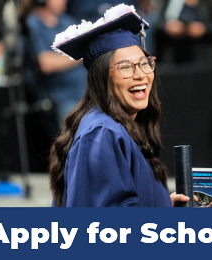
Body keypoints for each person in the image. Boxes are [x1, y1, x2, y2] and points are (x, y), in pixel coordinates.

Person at [49, 4, 191, 207]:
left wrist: (163, 205)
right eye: (125, 67)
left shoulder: (116, 127)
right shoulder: (101, 134)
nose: (140, 74)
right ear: (102, 78)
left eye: (144, 63)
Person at [25, 0, 87, 124]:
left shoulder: (67, 20)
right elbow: (45, 63)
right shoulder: (32, 24)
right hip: (62, 100)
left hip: (86, 93)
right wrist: (79, 54)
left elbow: (87, 45)